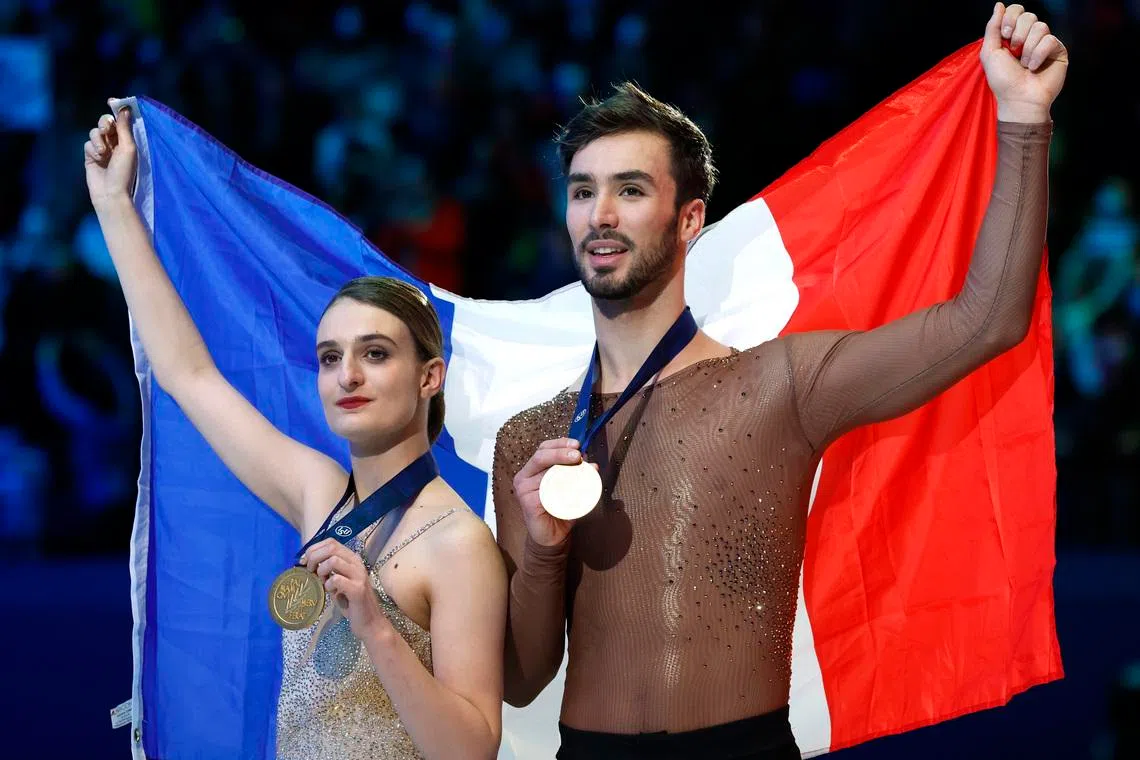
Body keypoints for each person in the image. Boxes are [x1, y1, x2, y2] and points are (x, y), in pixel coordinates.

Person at [491, 4, 1068, 759]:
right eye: (581, 190)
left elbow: (988, 318)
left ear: (690, 218)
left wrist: (1022, 120)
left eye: (630, 190)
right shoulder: (532, 440)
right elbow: (522, 677)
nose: (600, 214)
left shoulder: (779, 383)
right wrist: (541, 549)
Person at [84, 107, 505, 760]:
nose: (347, 375)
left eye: (375, 353)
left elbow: (472, 750)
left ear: (430, 378)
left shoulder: (459, 545)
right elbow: (189, 375)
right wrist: (115, 205)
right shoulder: (321, 495)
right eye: (331, 357)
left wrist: (376, 627)